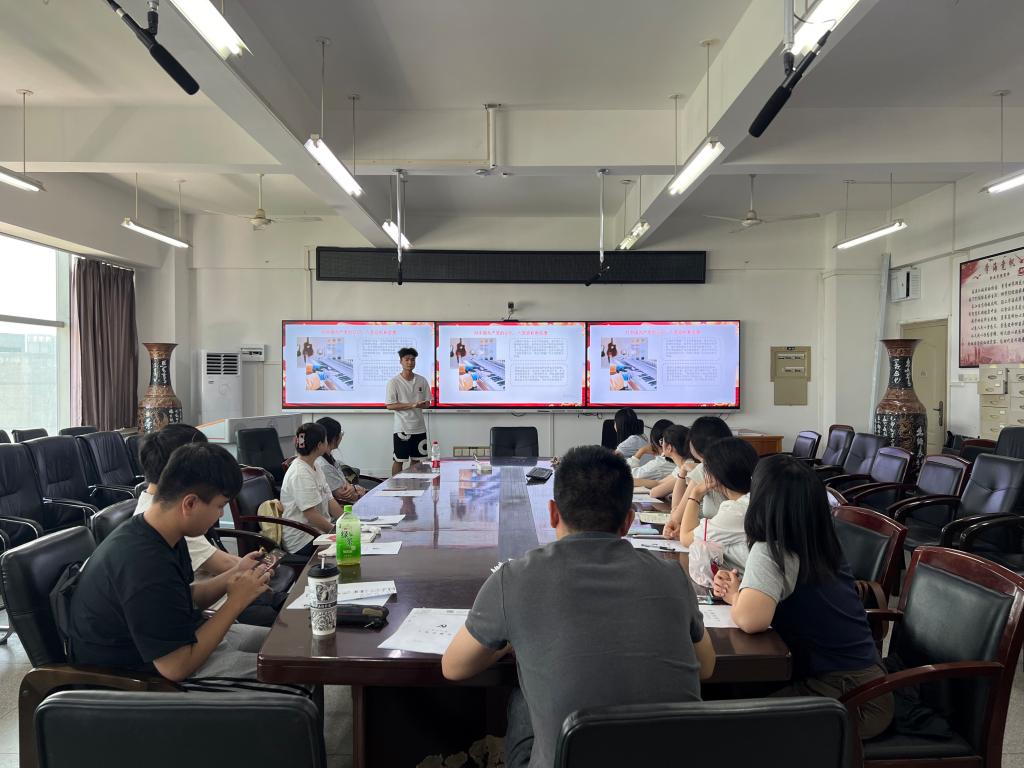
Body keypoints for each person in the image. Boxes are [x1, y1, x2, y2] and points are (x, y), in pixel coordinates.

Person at [442, 445, 715, 768]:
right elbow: (706, 667)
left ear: (553, 513)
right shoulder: (672, 576)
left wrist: (514, 641)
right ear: (628, 521)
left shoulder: (515, 578)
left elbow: (454, 667)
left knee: (523, 696)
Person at [712, 455, 894, 739]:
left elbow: (750, 620)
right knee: (729, 696)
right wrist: (744, 590)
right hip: (869, 688)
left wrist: (735, 596)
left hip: (848, 702)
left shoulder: (773, 549)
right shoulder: (821, 543)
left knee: (724, 726)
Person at [68, 443, 274, 682]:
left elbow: (183, 598)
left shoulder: (162, 533)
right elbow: (176, 668)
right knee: (290, 671)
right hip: (144, 676)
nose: (220, 515)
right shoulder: (144, 562)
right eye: (220, 506)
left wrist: (234, 573)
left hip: (183, 641)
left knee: (287, 648)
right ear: (190, 503)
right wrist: (236, 602)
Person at [135, 424, 286, 627]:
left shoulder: (168, 518)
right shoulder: (161, 532)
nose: (221, 514)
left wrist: (242, 570)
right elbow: (182, 648)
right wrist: (241, 590)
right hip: (213, 613)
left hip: (214, 602)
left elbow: (189, 596)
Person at [683, 436, 758, 569]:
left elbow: (685, 538)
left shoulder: (736, 511)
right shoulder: (755, 499)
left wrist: (695, 493)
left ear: (715, 475)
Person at [663, 416, 732, 540]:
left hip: (715, 540)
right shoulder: (734, 463)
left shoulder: (704, 469)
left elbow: (676, 517)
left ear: (695, 443)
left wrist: (682, 472)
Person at [280, 422, 343, 556]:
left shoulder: (315, 466)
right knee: (351, 546)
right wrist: (337, 532)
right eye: (325, 440)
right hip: (303, 540)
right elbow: (311, 515)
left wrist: (347, 522)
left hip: (318, 532)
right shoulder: (300, 473)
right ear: (320, 445)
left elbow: (330, 500)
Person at [386, 346, 431, 476]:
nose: (410, 362)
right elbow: (390, 405)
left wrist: (423, 405)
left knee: (417, 460)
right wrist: (412, 405)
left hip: (419, 427)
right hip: (402, 428)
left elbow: (427, 403)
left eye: (412, 359)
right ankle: (395, 485)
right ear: (401, 361)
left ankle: (413, 484)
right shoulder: (394, 382)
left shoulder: (422, 380)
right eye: (407, 359)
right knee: (399, 460)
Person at [315, 416, 366, 505]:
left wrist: (353, 487)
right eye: (340, 433)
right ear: (333, 438)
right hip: (341, 507)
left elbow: (346, 485)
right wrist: (360, 494)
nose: (341, 436)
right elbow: (345, 496)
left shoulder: (328, 458)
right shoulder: (324, 465)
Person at [649, 424, 694, 499]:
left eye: (662, 442)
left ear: (669, 448)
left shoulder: (688, 467)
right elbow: (660, 483)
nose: (661, 445)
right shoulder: (683, 464)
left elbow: (654, 493)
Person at [629, 419, 676, 488]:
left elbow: (627, 475)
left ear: (660, 442)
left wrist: (640, 453)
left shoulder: (660, 463)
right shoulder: (679, 459)